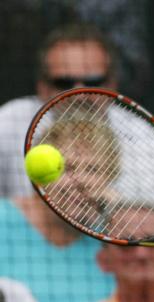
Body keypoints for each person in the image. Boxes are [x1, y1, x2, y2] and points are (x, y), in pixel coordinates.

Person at [0, 117, 116, 302]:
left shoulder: (117, 240)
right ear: (39, 174)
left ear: (110, 178)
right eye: (67, 168)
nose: (81, 180)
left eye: (93, 170)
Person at [0, 22, 118, 199]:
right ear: (42, 87)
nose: (79, 94)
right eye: (64, 83)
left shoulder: (145, 137)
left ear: (112, 85)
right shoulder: (8, 122)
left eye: (93, 82)